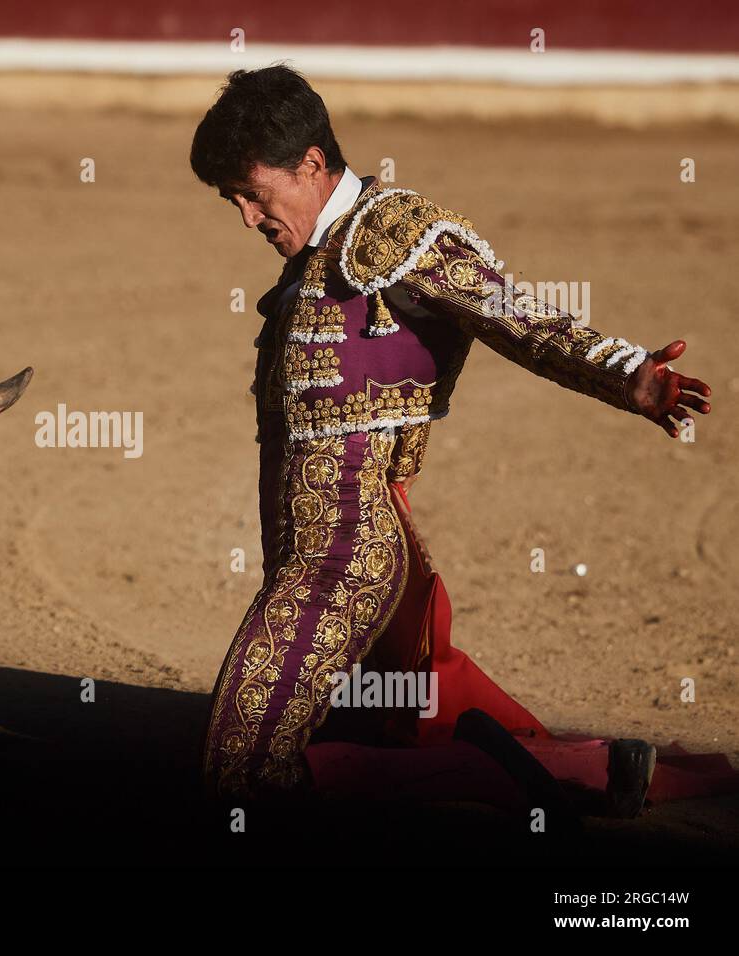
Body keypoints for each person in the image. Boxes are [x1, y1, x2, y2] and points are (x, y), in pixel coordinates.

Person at [190, 65, 723, 818]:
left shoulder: (395, 233)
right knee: (392, 732)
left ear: (311, 164)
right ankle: (589, 771)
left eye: (253, 194)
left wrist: (624, 373)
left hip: (344, 563)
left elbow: (514, 315)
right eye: (233, 201)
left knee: (239, 775)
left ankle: (505, 779)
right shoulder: (316, 256)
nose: (247, 218)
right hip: (323, 558)